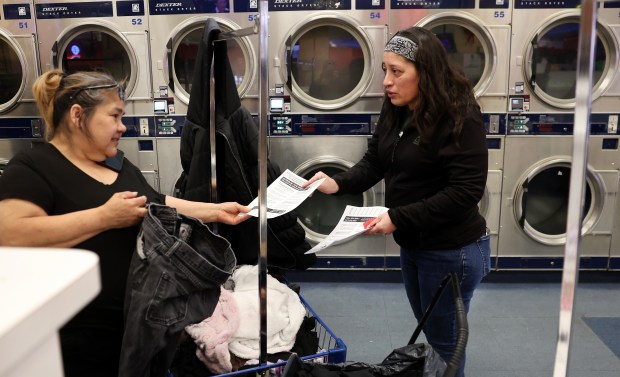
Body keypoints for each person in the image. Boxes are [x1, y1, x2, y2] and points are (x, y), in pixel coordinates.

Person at [0, 69, 251, 377]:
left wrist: (215, 210)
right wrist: (103, 217)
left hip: (142, 326)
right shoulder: (33, 167)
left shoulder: (115, 162)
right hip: (82, 339)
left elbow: (155, 200)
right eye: (115, 116)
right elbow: (11, 234)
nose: (122, 127)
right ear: (78, 116)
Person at [304, 27, 490, 377]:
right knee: (433, 333)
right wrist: (336, 182)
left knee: (445, 346)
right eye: (385, 71)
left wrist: (398, 218)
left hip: (453, 250)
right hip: (416, 243)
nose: (387, 81)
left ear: (427, 73)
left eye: (397, 72)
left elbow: (465, 192)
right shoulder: (396, 107)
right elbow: (375, 160)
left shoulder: (460, 117)